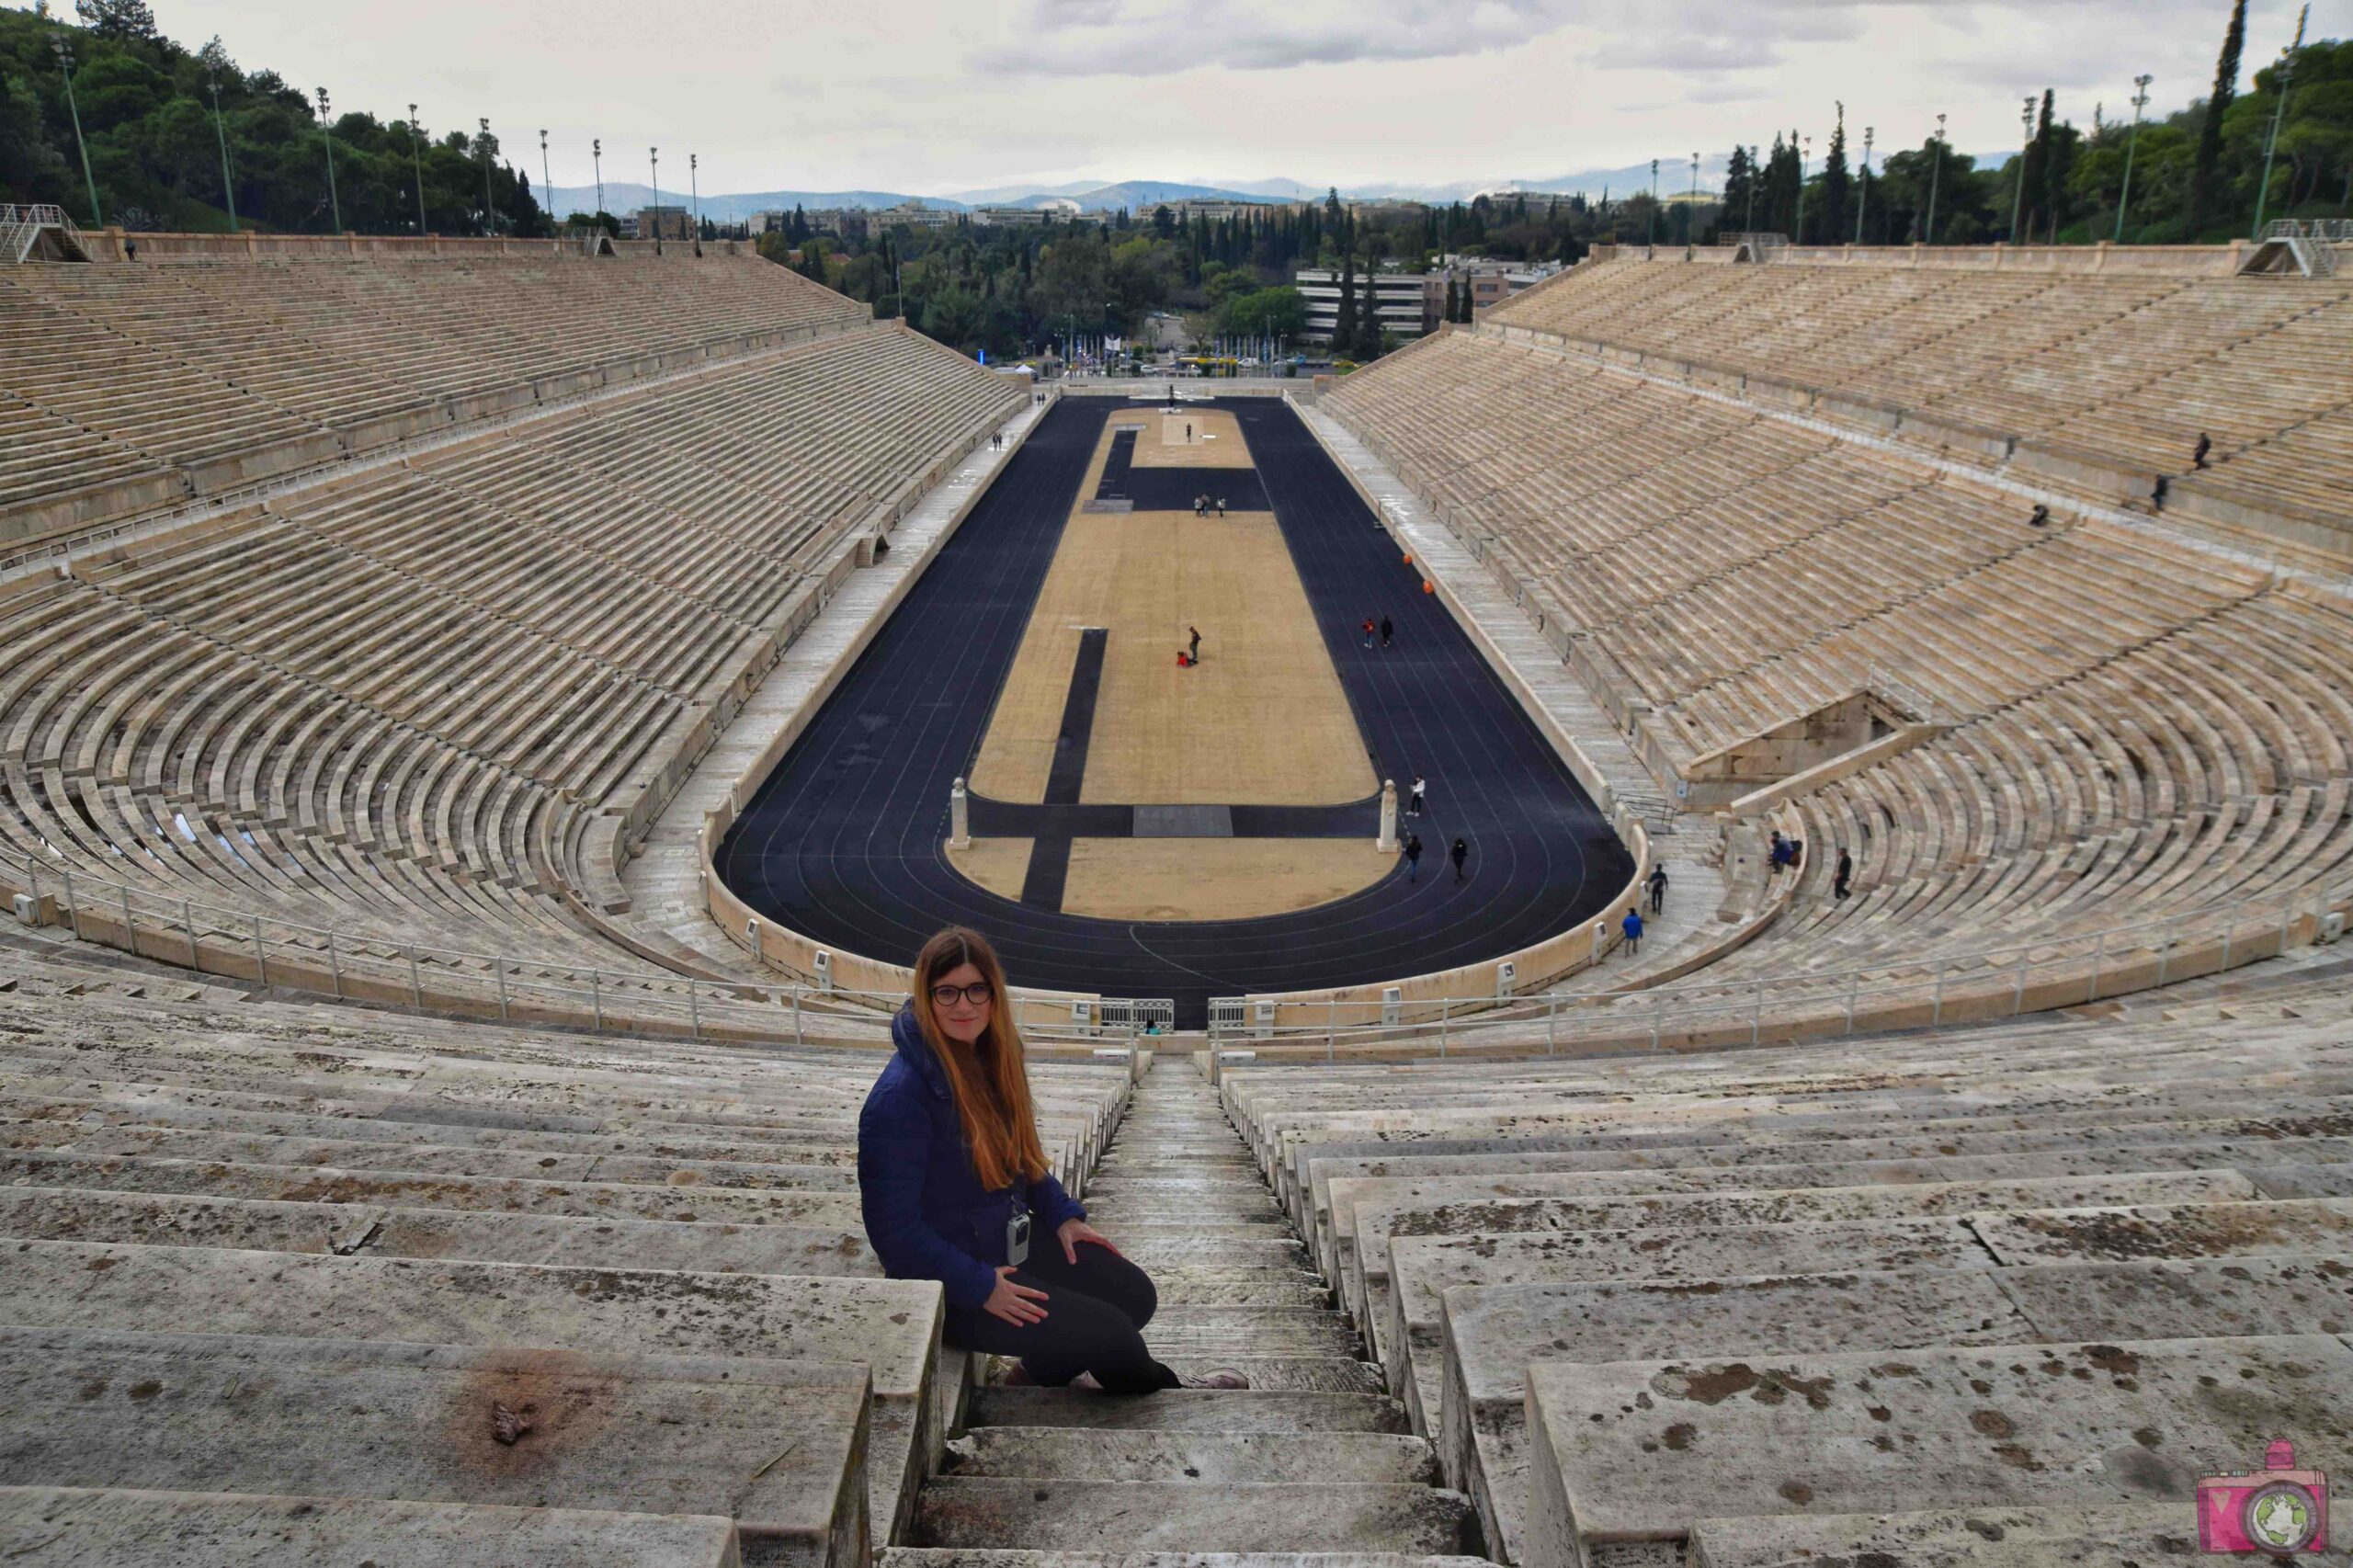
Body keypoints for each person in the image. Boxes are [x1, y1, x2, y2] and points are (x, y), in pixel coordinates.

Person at [859, 927, 1246, 1394]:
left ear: (993, 993)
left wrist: (1062, 1215)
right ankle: (1172, 1391)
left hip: (1000, 1241)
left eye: (976, 989)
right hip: (952, 1282)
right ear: (926, 995)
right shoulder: (899, 1099)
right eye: (947, 992)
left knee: (1134, 1295)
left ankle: (1034, 1375)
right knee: (1109, 1335)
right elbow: (893, 1233)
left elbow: (1020, 1157)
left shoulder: (992, 1053)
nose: (964, 1006)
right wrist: (979, 1284)